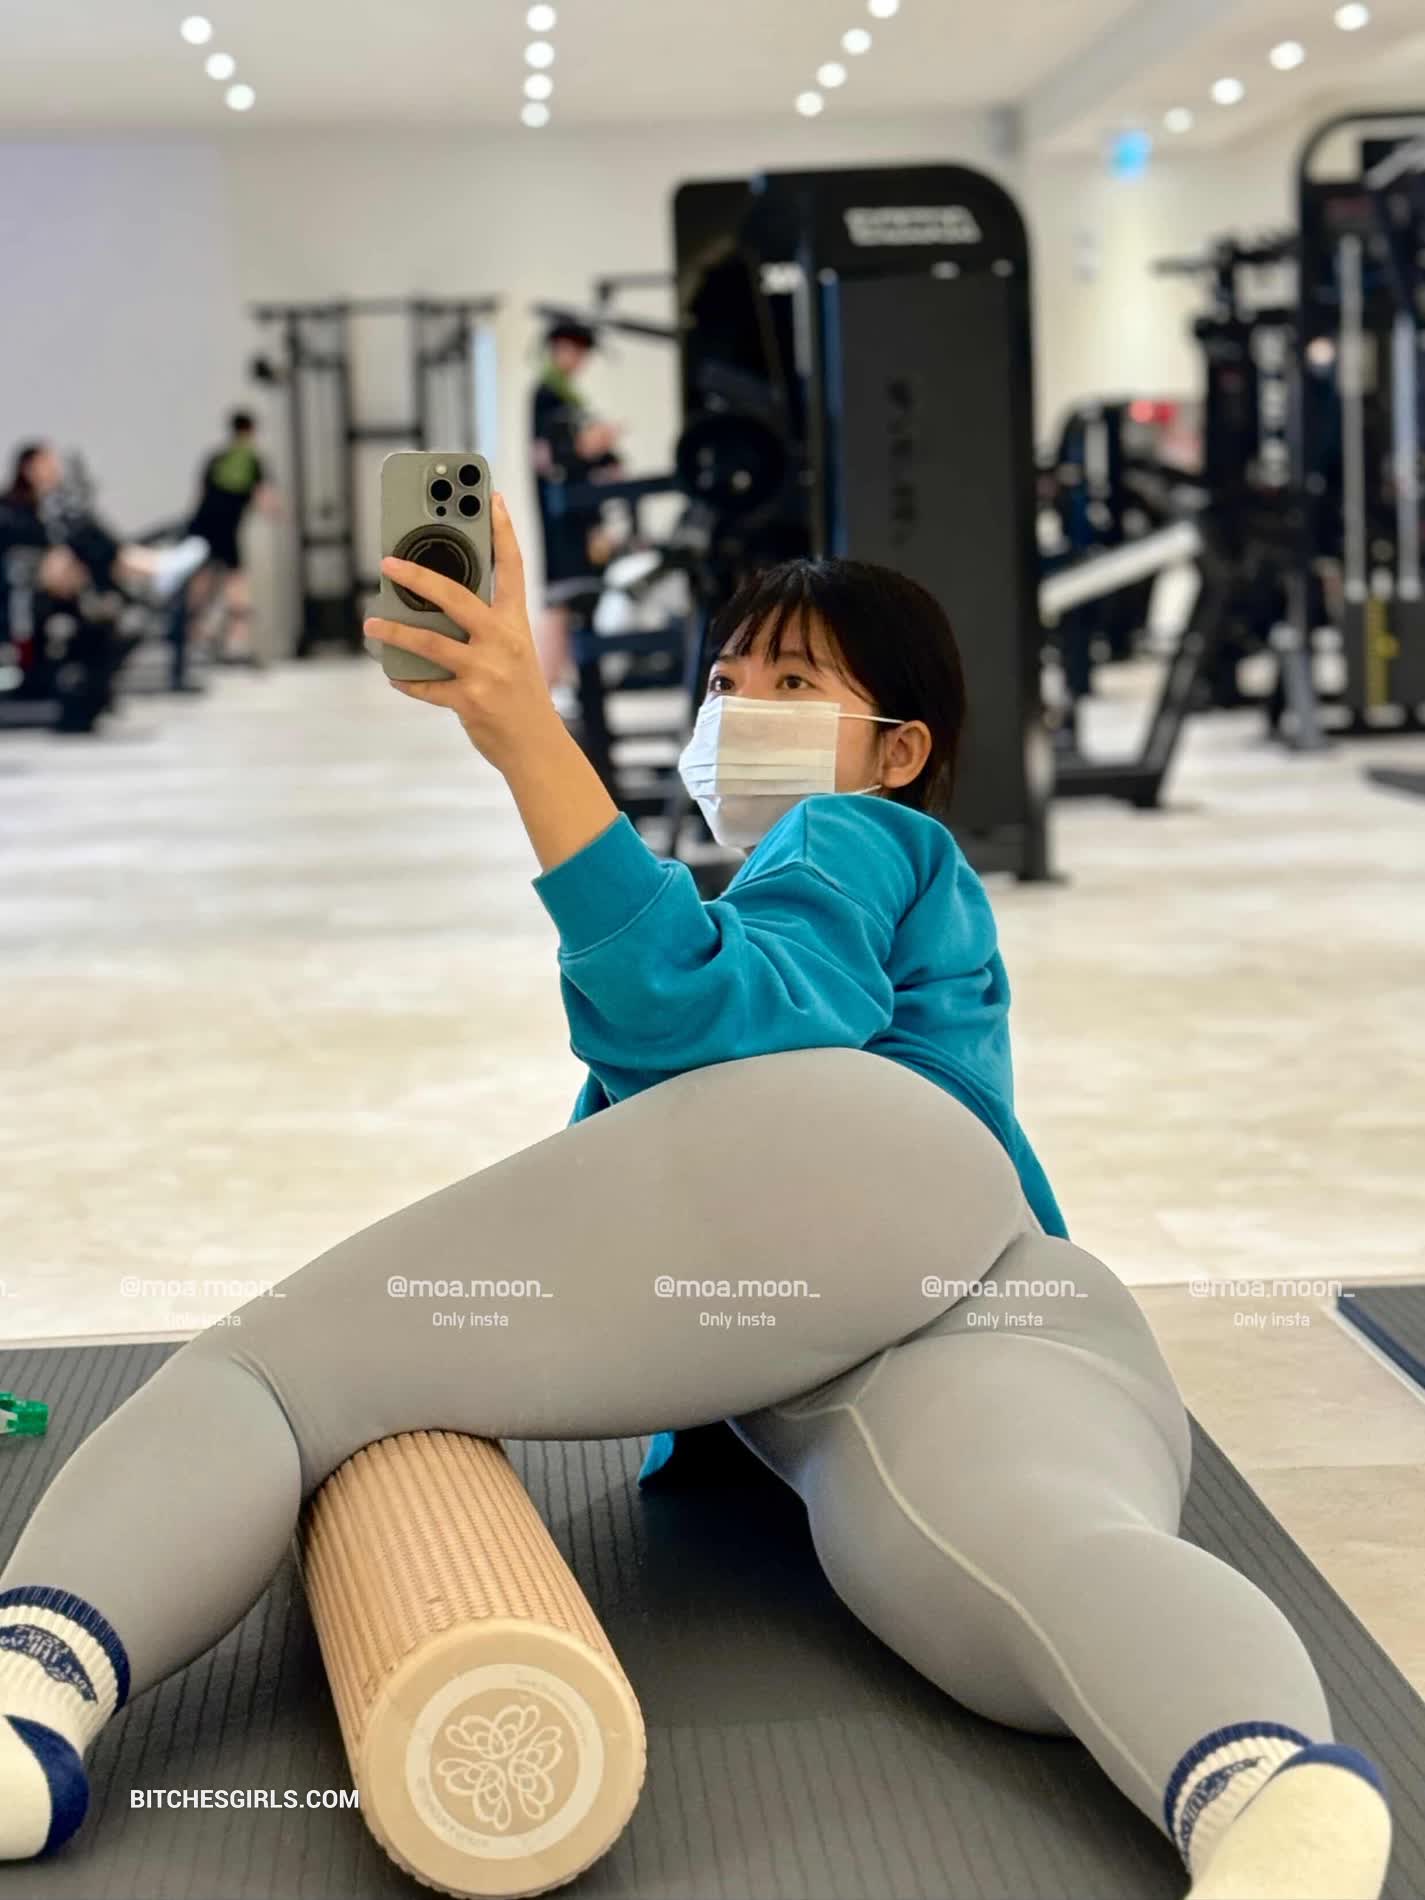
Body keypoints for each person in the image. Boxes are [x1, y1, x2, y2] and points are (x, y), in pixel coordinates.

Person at [0, 496, 1392, 1900]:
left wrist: (526, 735)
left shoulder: (851, 834)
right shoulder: (881, 883)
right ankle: (1263, 1786)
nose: (739, 709)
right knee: (1032, 1544)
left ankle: (28, 1688)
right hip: (1007, 1281)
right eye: (726, 681)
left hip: (853, 1182)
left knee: (279, 1375)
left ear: (899, 751)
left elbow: (709, 1011)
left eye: (794, 683)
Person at [0, 442, 208, 730]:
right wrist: (49, 560)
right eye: (48, 463)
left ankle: (148, 568)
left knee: (86, 538)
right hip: (26, 594)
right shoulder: (12, 509)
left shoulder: (51, 507)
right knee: (86, 543)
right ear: (29, 468)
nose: (55, 469)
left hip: (63, 588)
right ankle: (153, 567)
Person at [529, 317, 624, 694]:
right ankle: (542, 687)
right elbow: (551, 457)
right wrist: (591, 446)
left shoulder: (567, 398)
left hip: (580, 516)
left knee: (574, 603)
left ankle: (560, 685)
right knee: (561, 601)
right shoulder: (546, 397)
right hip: (563, 520)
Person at [182, 410, 278, 666]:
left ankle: (191, 636)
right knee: (236, 585)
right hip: (225, 531)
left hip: (202, 526)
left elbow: (200, 495)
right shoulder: (251, 460)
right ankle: (236, 643)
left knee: (201, 584)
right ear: (251, 431)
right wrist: (278, 512)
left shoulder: (216, 458)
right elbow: (264, 498)